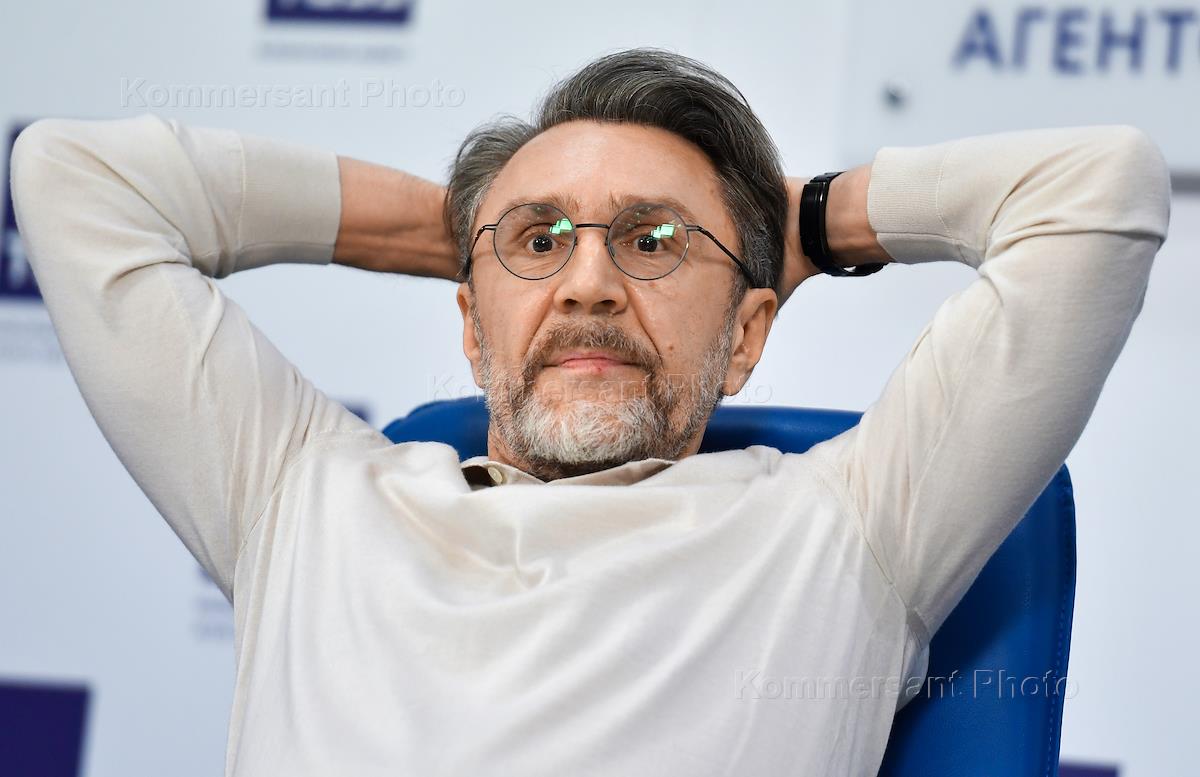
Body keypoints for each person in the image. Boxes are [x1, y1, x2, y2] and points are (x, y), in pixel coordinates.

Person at [10, 48, 1171, 776]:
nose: (589, 283)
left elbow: (1094, 187)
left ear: (748, 334)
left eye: (655, 242)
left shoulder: (852, 525)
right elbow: (75, 176)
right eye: (542, 243)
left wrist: (811, 219)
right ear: (471, 328)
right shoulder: (298, 493)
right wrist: (459, 230)